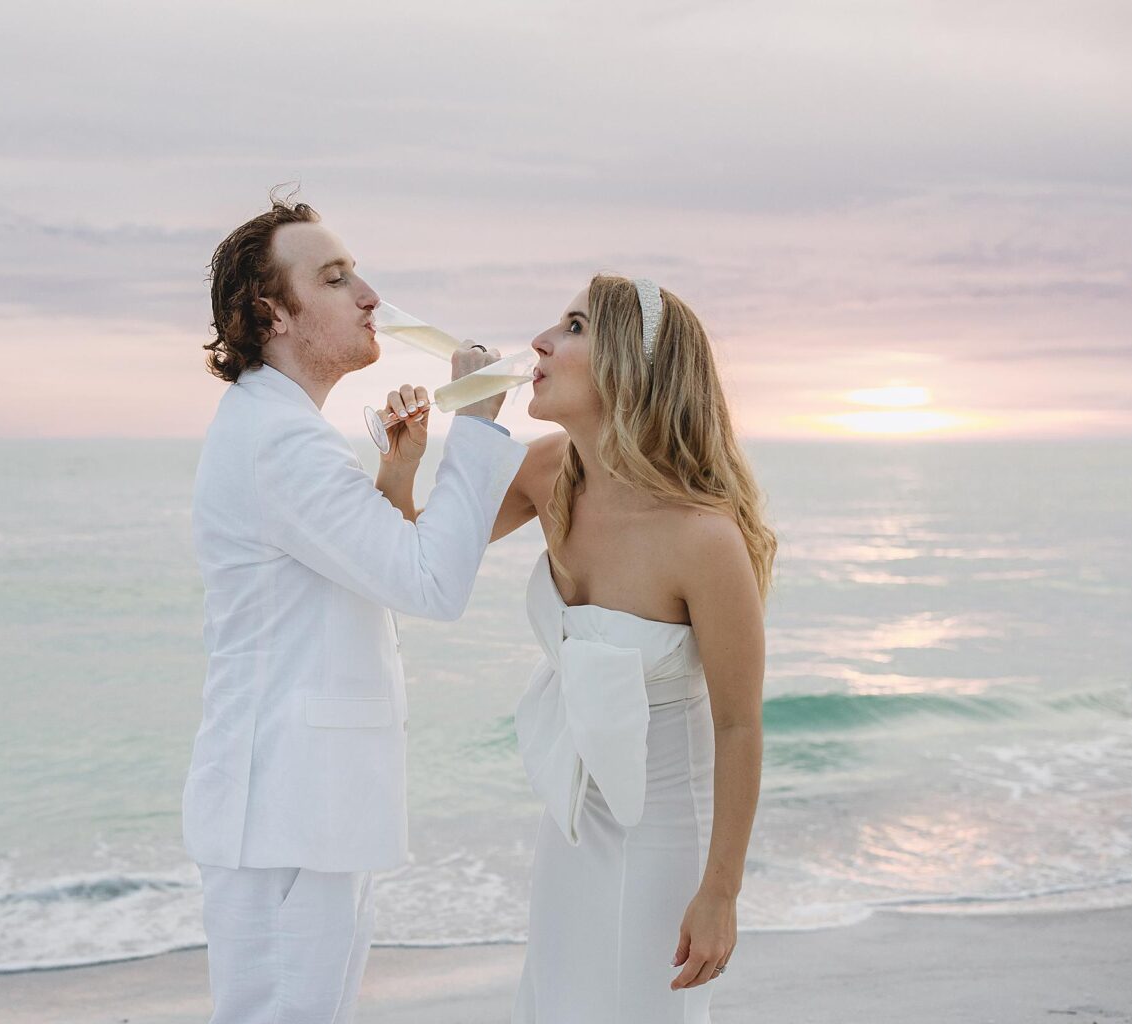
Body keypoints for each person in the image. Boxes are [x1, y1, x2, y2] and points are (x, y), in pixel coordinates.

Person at [184, 194, 526, 1024]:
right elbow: (430, 586)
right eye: (336, 278)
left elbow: (359, 577)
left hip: (303, 804)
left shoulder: (283, 430)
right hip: (286, 809)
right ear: (274, 314)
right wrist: (476, 421)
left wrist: (397, 478)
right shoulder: (282, 442)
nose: (369, 293)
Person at [496, 275, 774, 1022]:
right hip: (569, 817)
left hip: (659, 839)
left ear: (629, 368)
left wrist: (720, 893)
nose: (541, 341)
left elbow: (738, 726)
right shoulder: (546, 472)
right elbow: (416, 560)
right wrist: (415, 453)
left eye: (575, 326)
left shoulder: (702, 539)